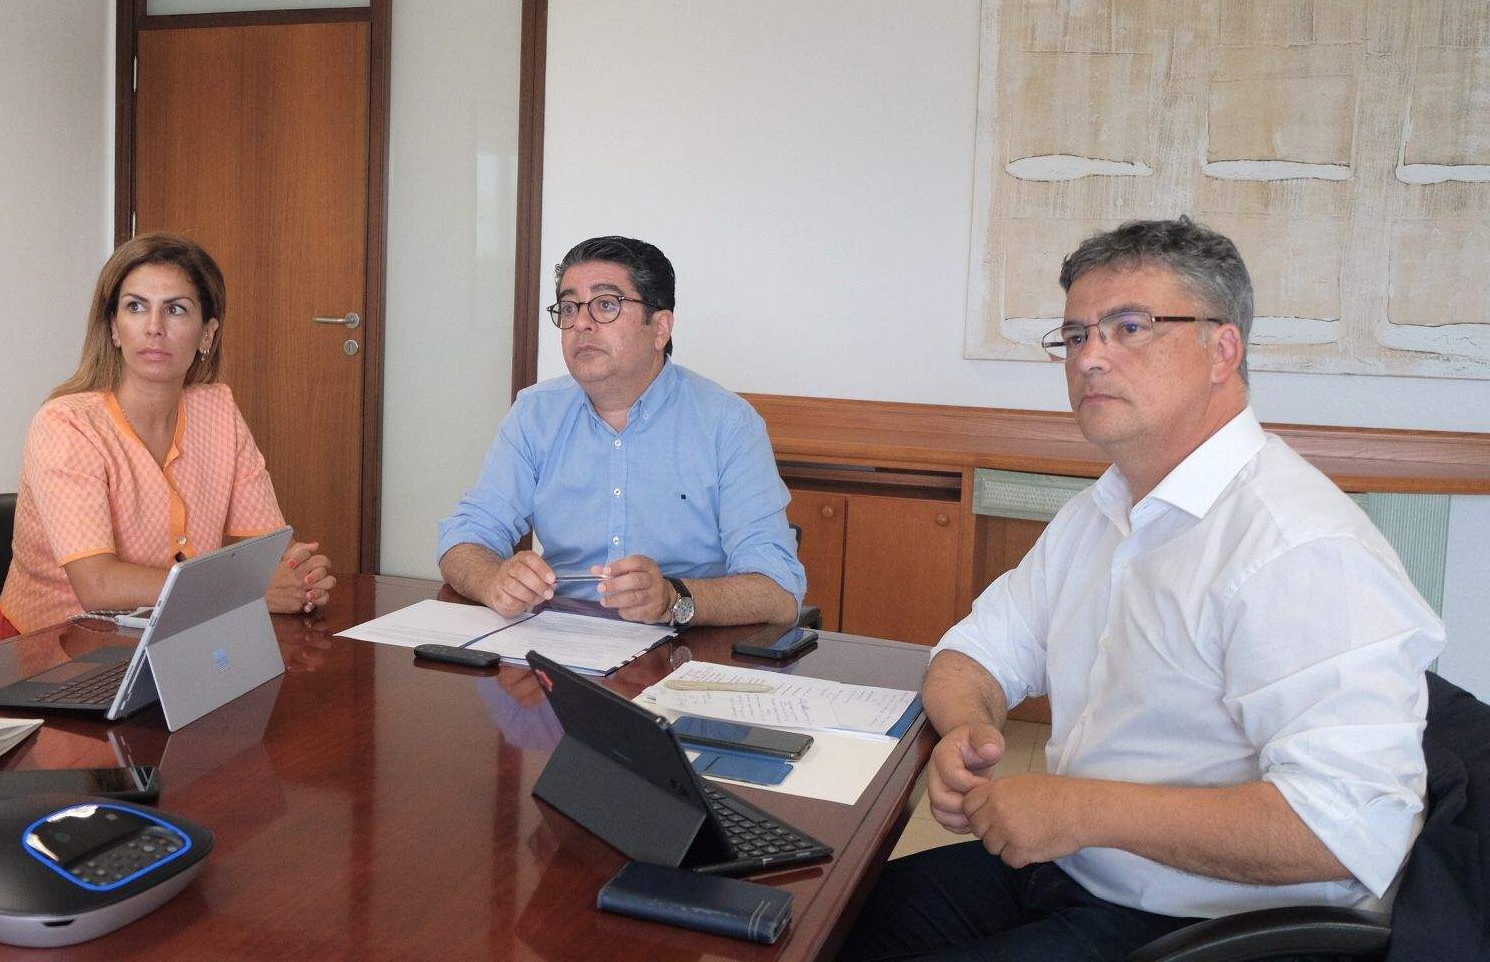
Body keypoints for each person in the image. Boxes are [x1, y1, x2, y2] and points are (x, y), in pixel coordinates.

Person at [839, 218, 1444, 961]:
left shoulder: (1298, 545)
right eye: (1075, 334)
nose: (1090, 357)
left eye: (1129, 328)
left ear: (1223, 348)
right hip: (1076, 868)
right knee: (823, 921)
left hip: (1204, 925)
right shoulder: (1105, 507)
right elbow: (973, 651)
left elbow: (1344, 827)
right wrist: (969, 730)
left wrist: (1083, 809)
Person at [437, 235, 804, 627]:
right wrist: (493, 580)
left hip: (682, 649)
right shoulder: (536, 413)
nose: (580, 323)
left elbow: (779, 591)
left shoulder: (728, 424)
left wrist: (674, 597)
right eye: (569, 307)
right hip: (557, 640)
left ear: (660, 328)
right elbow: (464, 536)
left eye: (606, 305)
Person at [0, 234, 333, 640]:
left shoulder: (218, 410)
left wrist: (299, 574)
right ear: (114, 329)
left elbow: (270, 550)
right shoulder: (67, 424)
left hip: (168, 640)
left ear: (207, 334)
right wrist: (248, 588)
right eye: (136, 307)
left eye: (175, 310)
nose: (154, 328)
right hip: (46, 652)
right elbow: (97, 586)